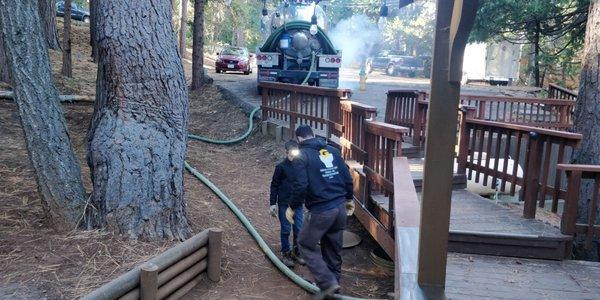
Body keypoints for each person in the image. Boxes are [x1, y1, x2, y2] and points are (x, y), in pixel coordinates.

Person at [286, 125, 355, 297]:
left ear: (299, 139)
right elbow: (347, 177)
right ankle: (334, 291)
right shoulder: (332, 150)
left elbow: (300, 186)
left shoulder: (302, 157)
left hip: (322, 210)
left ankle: (327, 282)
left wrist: (293, 206)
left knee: (305, 244)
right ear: (314, 135)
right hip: (339, 209)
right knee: (332, 250)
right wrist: (349, 198)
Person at [269, 140, 306, 268]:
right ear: (287, 151)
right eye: (292, 150)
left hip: (298, 204)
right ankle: (286, 253)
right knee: (286, 229)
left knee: (299, 229)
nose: (294, 153)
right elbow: (274, 185)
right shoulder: (280, 167)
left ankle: (297, 252)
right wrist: (273, 203)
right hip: (285, 203)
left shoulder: (301, 166)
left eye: (296, 150)